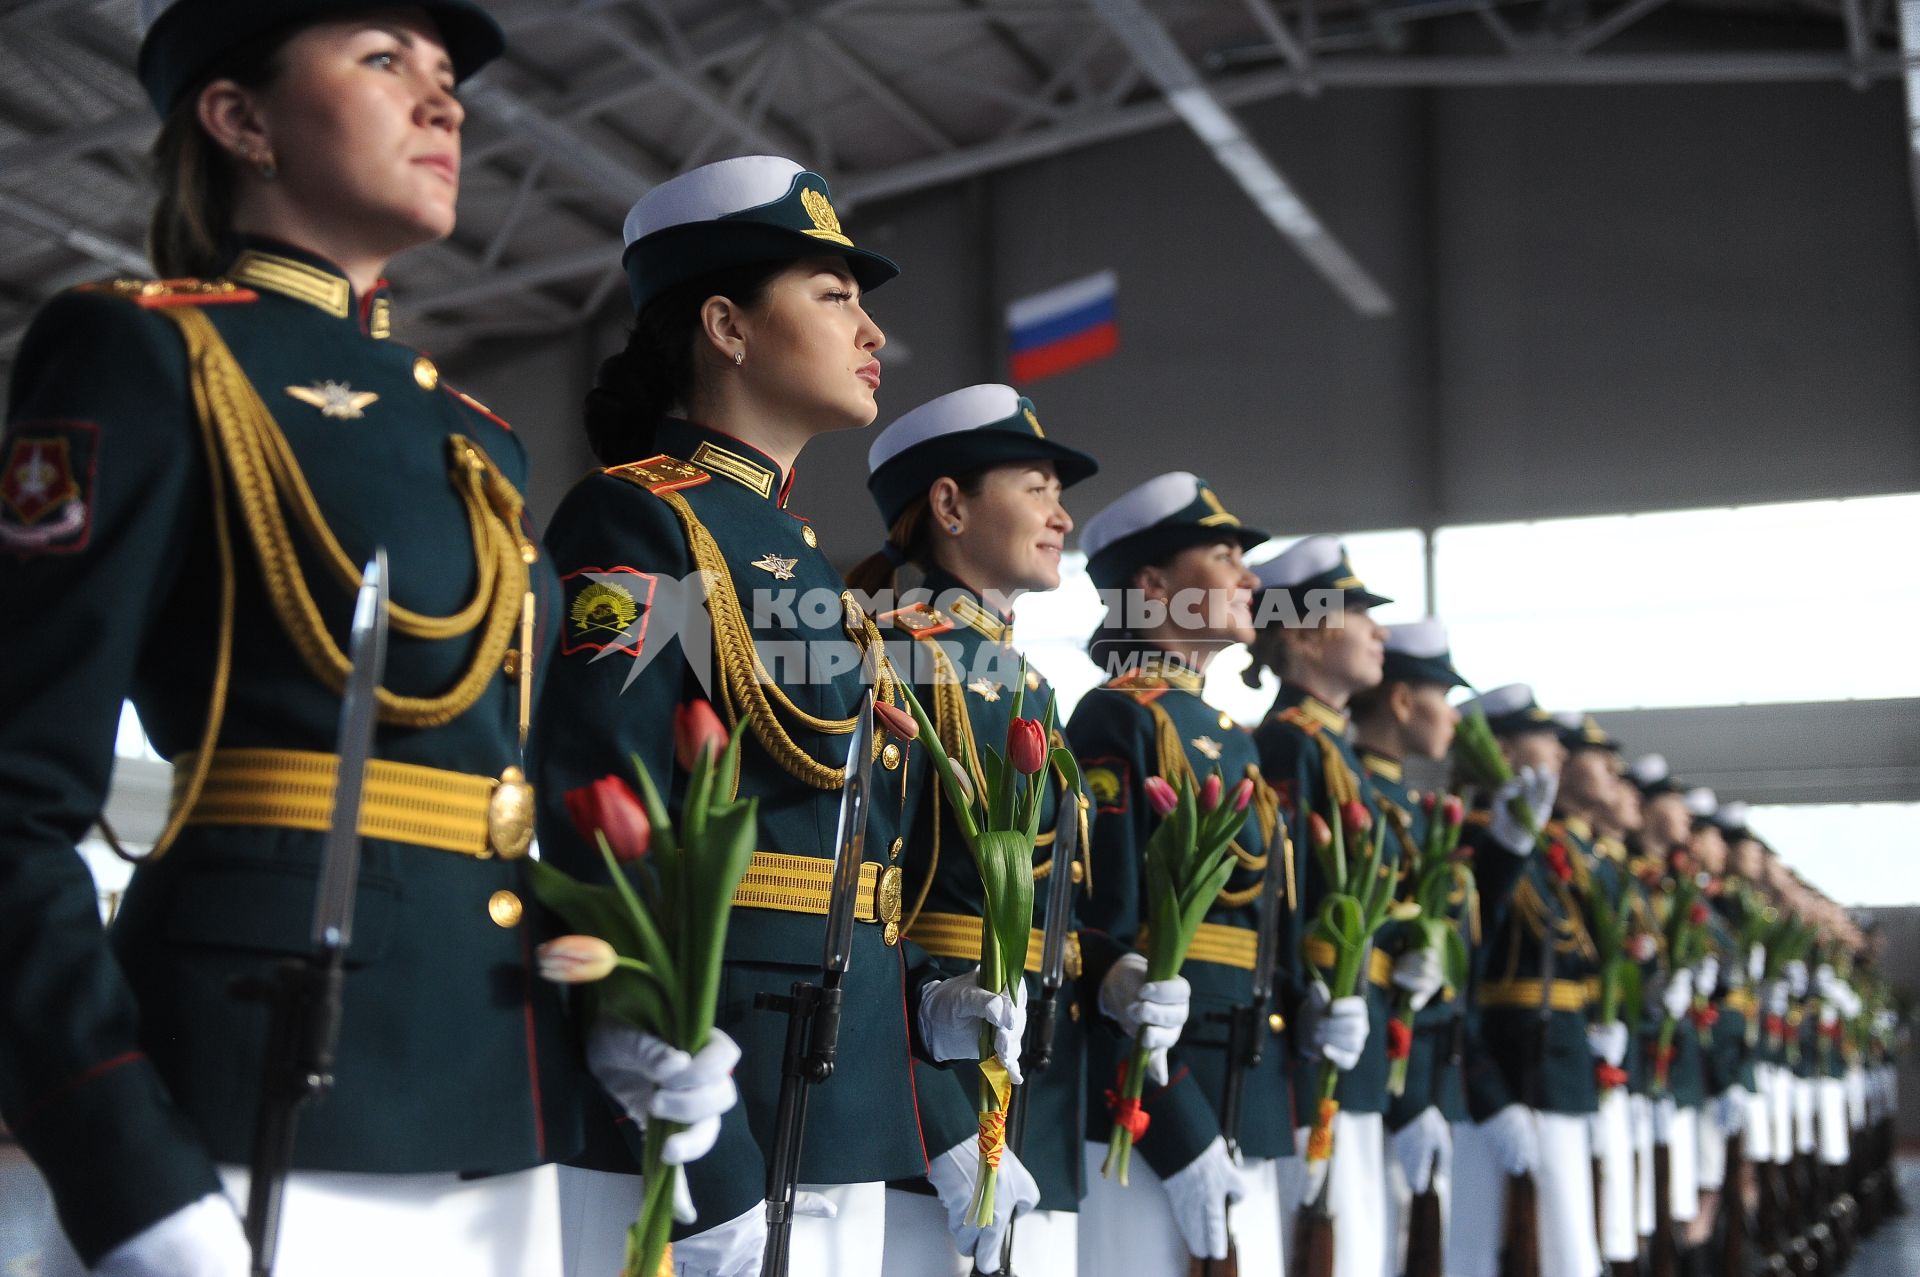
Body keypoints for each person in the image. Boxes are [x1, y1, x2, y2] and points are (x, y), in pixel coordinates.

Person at [0, 3, 732, 1272]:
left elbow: (498, 786)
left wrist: (611, 1007)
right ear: (240, 121)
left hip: (497, 1095)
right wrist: (121, 1158)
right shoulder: (147, 349)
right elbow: (12, 801)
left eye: (447, 77)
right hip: (255, 1095)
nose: (444, 104)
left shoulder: (475, 433)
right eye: (386, 61)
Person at [528, 156, 1025, 1277]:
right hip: (712, 1095)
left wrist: (944, 1111)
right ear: (727, 325)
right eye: (835, 295)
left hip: (841, 1088)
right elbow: (600, 807)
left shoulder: (807, 565)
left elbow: (865, 882)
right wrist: (700, 1166)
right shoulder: (637, 519)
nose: (873, 333)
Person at [848, 382, 1113, 1275]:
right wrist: (942, 1124)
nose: (1062, 517)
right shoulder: (894, 659)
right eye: (1035, 487)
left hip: (1043, 1083)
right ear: (950, 505)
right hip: (934, 1105)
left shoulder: (1026, 682)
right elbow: (852, 918)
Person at [1066, 472, 1299, 1277]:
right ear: (1153, 586)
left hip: (1245, 1078)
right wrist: (1177, 1125)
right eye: (1225, 554)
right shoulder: (1121, 715)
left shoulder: (1226, 731)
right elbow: (1104, 945)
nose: (1250, 578)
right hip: (1159, 1098)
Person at [1246, 536, 1431, 1277]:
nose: (1380, 632)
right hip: (1314, 1037)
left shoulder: (1335, 747)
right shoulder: (1292, 743)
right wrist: (1310, 1000)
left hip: (1354, 1032)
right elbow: (1286, 904)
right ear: (1303, 633)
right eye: (1359, 614)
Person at [1446, 684, 1601, 1277]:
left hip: (1554, 1069)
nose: (1561, 753)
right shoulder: (1473, 839)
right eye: (1545, 740)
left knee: (1568, 1250)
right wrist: (1488, 1091)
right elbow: (1465, 976)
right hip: (1504, 1074)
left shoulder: (1536, 849)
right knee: (1475, 1251)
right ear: (1504, 750)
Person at [1347, 619, 1470, 1276]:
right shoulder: (1358, 789)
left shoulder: (1415, 808)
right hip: (1365, 1066)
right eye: (1442, 695)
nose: (1452, 715)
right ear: (1402, 701)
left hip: (1412, 1069)